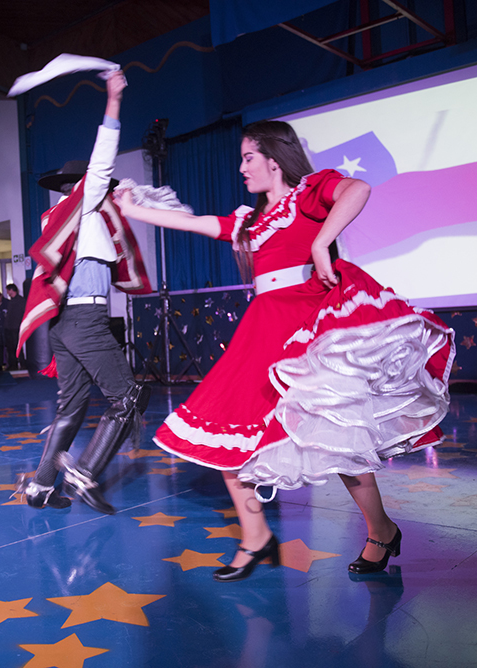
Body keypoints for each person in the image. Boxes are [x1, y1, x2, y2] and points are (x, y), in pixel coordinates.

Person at [117, 120, 455, 580]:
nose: (242, 168)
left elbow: (358, 189)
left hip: (307, 324)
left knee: (335, 435)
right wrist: (133, 208)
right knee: (224, 429)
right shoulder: (251, 221)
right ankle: (255, 535)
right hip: (261, 330)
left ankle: (381, 530)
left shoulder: (309, 194)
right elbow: (191, 221)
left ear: (275, 160)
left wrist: (320, 242)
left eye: (248, 157)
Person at [14, 71, 152, 514]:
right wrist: (113, 100)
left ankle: (39, 487)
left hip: (65, 324)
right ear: (81, 186)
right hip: (85, 320)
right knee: (129, 397)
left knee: (71, 409)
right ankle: (87, 471)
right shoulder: (84, 206)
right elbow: (103, 159)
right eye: (96, 185)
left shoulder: (60, 220)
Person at [4, 283, 26, 370]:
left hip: (14, 327)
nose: (7, 292)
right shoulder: (19, 300)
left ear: (11, 290)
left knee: (15, 347)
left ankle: (17, 364)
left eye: (8, 290)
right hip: (12, 326)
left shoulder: (17, 301)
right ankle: (18, 364)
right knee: (12, 347)